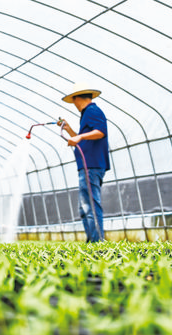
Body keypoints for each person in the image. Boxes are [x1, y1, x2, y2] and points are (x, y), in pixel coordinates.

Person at [57, 82, 109, 242]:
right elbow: (83, 139)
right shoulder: (87, 114)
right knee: (84, 207)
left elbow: (100, 132)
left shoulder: (92, 110)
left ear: (78, 98)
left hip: (91, 165)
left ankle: (97, 241)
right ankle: (92, 240)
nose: (74, 104)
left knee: (91, 205)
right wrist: (70, 130)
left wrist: (79, 136)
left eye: (73, 100)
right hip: (87, 165)